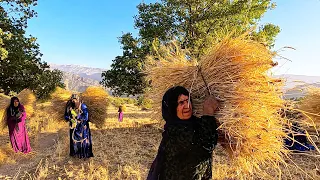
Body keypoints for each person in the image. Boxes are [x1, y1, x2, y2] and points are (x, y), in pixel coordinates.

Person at [147, 86, 219, 180]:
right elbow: (206, 144)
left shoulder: (195, 124)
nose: (187, 105)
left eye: (188, 100)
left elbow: (209, 133)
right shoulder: (174, 132)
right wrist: (208, 112)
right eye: (181, 103)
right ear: (173, 108)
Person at [64, 94, 93, 158]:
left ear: (78, 100)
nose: (74, 102)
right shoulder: (69, 107)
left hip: (82, 128)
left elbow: (86, 117)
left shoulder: (83, 106)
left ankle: (83, 155)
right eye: (73, 100)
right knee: (74, 141)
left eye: (75, 100)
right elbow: (65, 116)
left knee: (83, 141)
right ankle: (75, 154)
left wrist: (78, 118)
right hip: (73, 127)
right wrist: (70, 119)